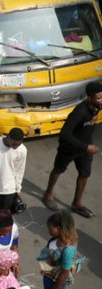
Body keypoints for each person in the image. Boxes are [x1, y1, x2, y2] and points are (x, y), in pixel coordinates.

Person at [42, 81, 102, 218]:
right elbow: (65, 134)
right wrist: (86, 146)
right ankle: (48, 195)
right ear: (89, 98)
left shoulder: (98, 107)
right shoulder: (79, 112)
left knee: (85, 173)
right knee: (58, 169)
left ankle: (77, 203)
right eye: (99, 98)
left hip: (85, 148)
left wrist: (86, 147)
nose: (101, 100)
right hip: (69, 147)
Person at [38, 211, 79, 289]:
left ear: (60, 228)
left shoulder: (68, 249)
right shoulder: (55, 239)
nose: (49, 231)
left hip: (57, 281)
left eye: (51, 228)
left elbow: (64, 274)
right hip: (50, 274)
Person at [0, 128, 27, 217]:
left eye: (18, 144)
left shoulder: (22, 150)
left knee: (2, 217)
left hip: (9, 190)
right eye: (14, 144)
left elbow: (19, 170)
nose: (16, 147)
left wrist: (18, 188)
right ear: (8, 137)